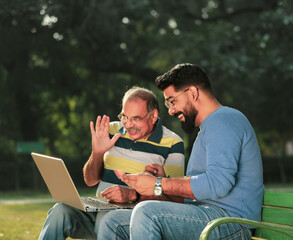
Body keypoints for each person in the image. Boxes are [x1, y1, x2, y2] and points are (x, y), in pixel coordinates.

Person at [97, 63, 264, 240]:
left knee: (146, 212)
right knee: (113, 220)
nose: (170, 111)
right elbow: (197, 194)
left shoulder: (224, 120)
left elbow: (218, 183)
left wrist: (158, 184)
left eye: (172, 101)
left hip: (229, 224)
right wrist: (159, 184)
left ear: (192, 93)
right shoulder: (209, 128)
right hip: (203, 215)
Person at [38, 86, 185, 240]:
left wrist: (131, 195)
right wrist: (97, 153)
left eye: (136, 118)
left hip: (134, 216)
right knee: (59, 211)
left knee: (107, 220)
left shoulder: (173, 143)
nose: (128, 125)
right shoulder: (111, 130)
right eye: (124, 116)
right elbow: (90, 180)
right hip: (100, 208)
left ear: (153, 116)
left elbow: (175, 200)